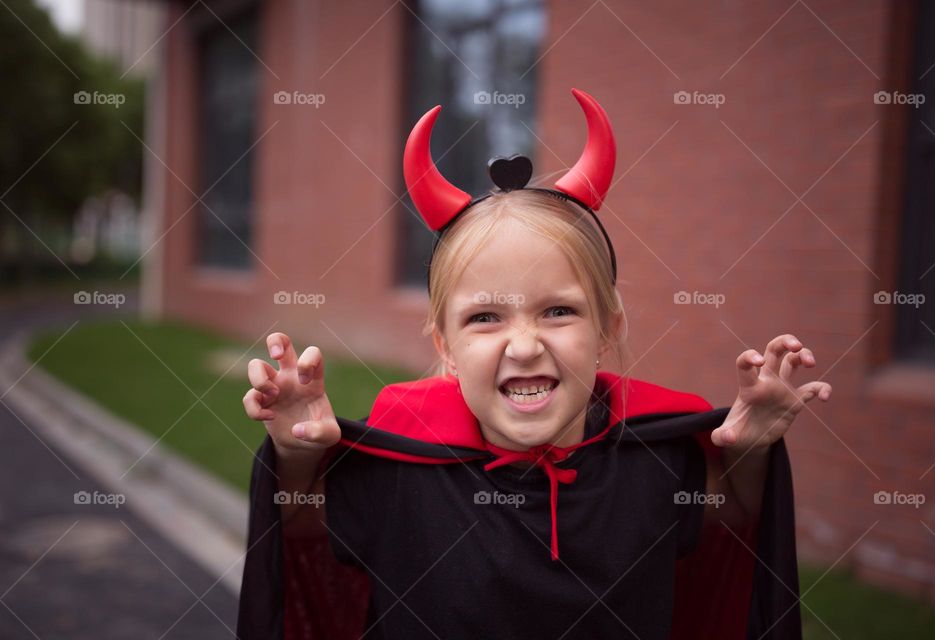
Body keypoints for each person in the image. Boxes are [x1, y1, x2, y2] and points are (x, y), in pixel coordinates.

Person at [237, 89, 831, 639]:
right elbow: (298, 527)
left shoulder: (656, 457)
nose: (523, 347)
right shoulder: (399, 468)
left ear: (608, 329)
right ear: (444, 346)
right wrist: (296, 451)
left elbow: (735, 520)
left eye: (557, 311)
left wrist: (751, 449)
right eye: (485, 318)